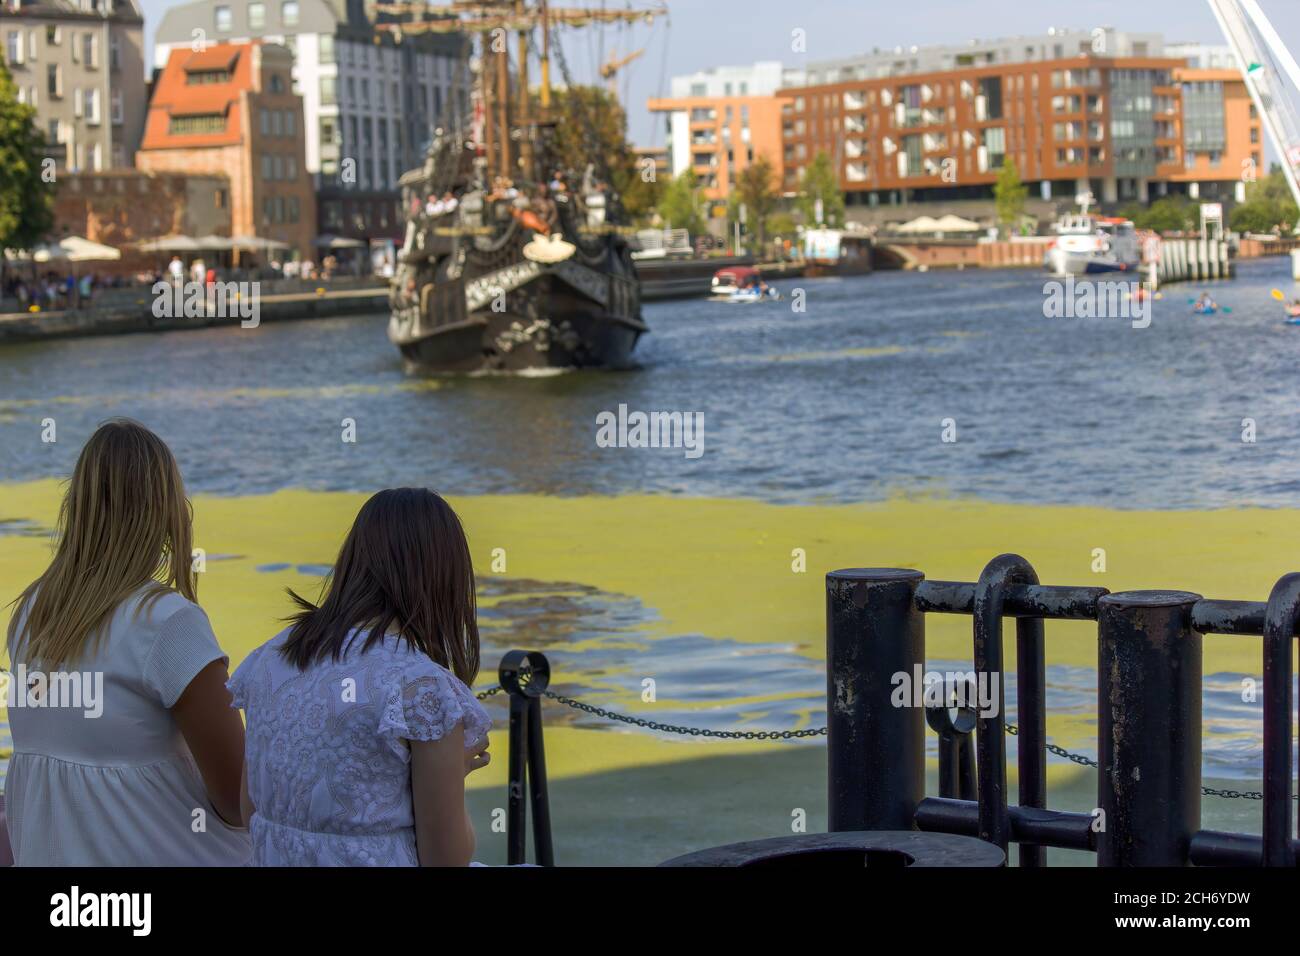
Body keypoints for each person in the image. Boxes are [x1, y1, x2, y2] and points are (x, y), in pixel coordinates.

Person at [4, 419, 251, 866]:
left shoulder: (29, 615)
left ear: (76, 506)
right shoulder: (168, 622)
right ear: (167, 509)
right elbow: (238, 800)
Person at [229, 488, 490, 866]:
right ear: (447, 576)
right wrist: (455, 776)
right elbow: (447, 859)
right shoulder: (421, 688)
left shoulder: (271, 657)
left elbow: (246, 808)